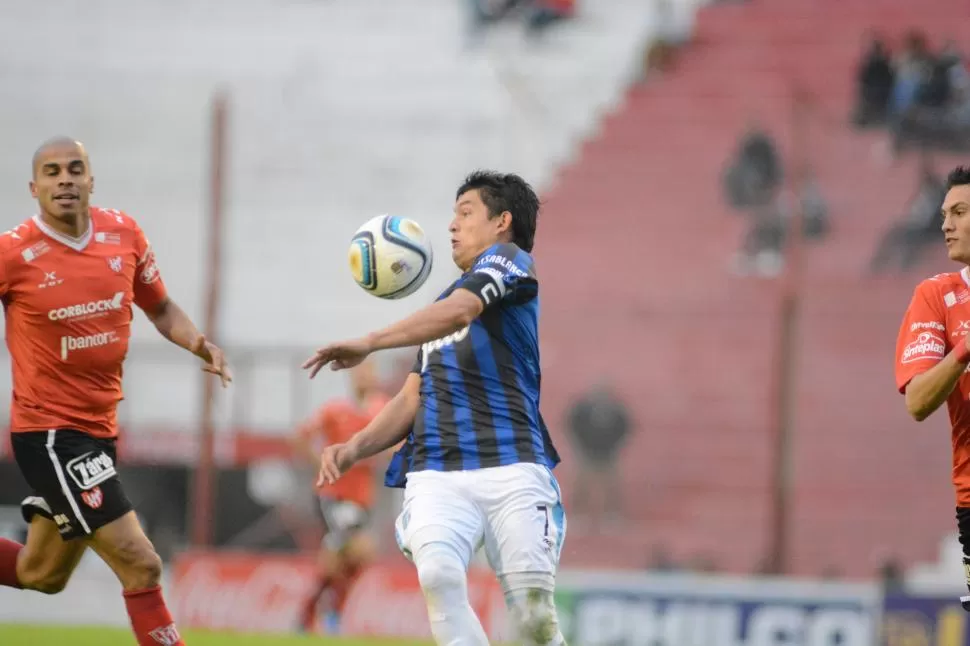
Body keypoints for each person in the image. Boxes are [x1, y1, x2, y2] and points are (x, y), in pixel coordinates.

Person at [305, 171, 566, 645]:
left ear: (502, 222)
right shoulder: (441, 305)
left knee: (533, 621)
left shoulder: (510, 263)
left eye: (465, 213)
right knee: (439, 576)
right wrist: (353, 448)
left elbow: (464, 311)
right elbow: (411, 397)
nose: (451, 226)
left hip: (512, 465)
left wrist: (371, 341)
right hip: (438, 469)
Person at [0, 137, 231, 646]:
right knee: (141, 562)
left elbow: (161, 307)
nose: (65, 179)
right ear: (34, 187)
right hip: (51, 434)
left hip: (100, 429)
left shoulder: (123, 234)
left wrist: (199, 343)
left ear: (90, 180)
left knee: (43, 574)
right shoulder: (13, 252)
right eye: (53, 171)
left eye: (75, 169)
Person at [895, 165, 970, 612]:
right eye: (945, 213)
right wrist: (964, 350)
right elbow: (919, 401)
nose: (945, 224)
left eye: (960, 212)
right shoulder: (936, 296)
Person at [292, 360, 388, 634]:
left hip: (363, 500)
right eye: (360, 373)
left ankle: (308, 614)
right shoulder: (335, 410)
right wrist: (323, 465)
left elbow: (396, 444)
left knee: (345, 560)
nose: (364, 378)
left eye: (370, 372)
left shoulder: (382, 409)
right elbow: (300, 437)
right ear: (352, 377)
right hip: (333, 496)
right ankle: (331, 615)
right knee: (361, 550)